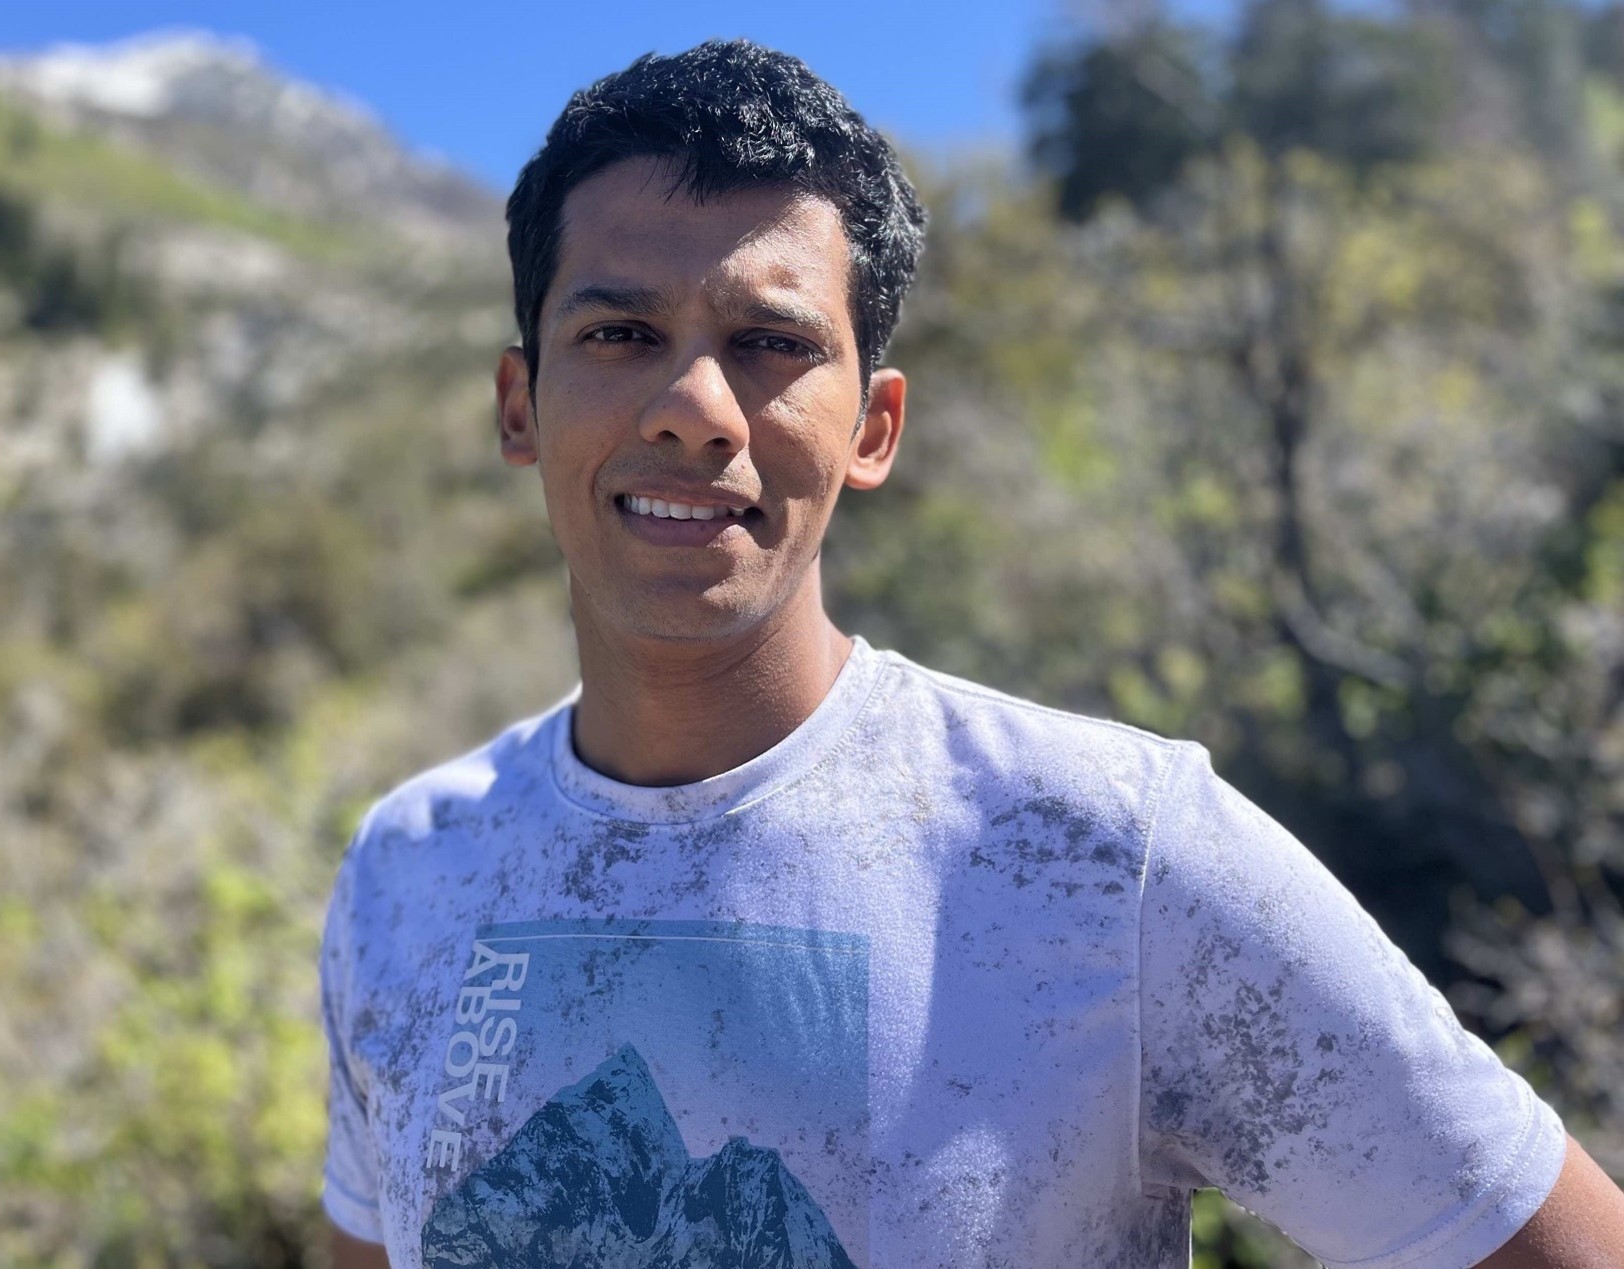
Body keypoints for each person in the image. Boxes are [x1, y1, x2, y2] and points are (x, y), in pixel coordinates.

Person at [318, 39, 1624, 1269]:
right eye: (619, 334)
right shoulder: (411, 871)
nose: (694, 409)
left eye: (770, 345)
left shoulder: (1111, 852)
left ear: (873, 427)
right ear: (517, 403)